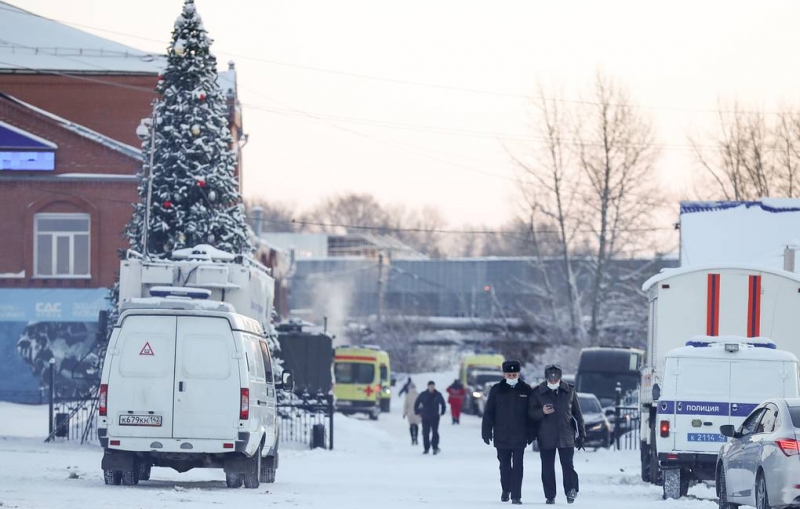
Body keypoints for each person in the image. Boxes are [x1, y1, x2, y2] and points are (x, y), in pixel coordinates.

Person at [529, 364, 586, 505]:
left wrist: (582, 434)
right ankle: (550, 495)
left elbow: (577, 413)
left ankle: (571, 490)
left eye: (556, 380)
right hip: (545, 435)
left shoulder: (570, 391)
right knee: (547, 467)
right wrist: (541, 411)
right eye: (551, 380)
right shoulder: (538, 392)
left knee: (568, 465)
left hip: (566, 435)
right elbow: (530, 413)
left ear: (560, 378)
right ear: (546, 378)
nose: (553, 382)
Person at [482, 360, 535, 505]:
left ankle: (516, 495)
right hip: (501, 434)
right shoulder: (496, 389)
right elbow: (489, 412)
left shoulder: (526, 389)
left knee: (518, 466)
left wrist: (531, 433)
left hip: (520, 435)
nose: (512, 376)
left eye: (514, 374)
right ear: (504, 374)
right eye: (509, 374)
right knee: (504, 465)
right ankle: (506, 489)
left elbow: (531, 413)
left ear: (518, 374)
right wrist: (486, 431)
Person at [414, 380, 447, 455]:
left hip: (435, 416)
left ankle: (435, 447)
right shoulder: (423, 394)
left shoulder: (438, 395)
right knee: (426, 433)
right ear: (428, 386)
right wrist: (417, 412)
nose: (432, 387)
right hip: (425, 416)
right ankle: (426, 448)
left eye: (433, 386)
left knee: (435, 432)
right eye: (430, 386)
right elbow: (417, 403)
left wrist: (442, 412)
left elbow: (443, 404)